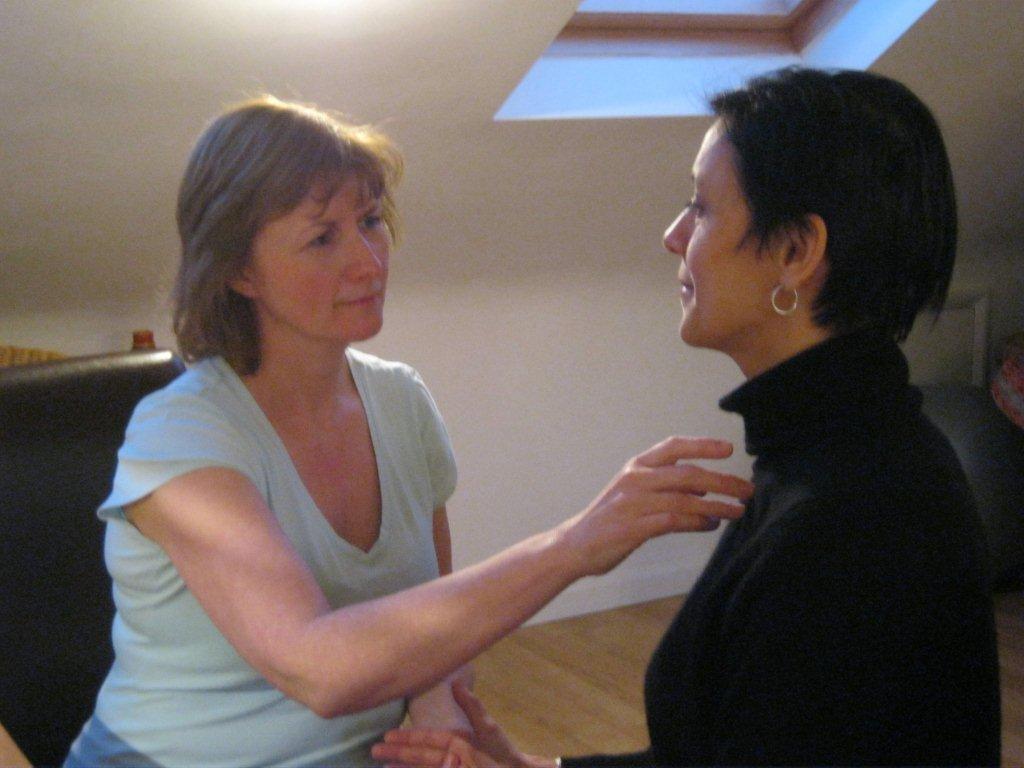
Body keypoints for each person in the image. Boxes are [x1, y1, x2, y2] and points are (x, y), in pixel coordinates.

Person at [63, 96, 754, 768]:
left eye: (370, 220)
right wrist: (575, 545)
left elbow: (435, 627)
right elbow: (318, 668)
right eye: (322, 237)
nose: (369, 261)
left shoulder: (399, 400)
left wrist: (437, 711)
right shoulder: (182, 436)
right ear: (240, 270)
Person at [372, 66, 1003, 768]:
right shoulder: (834, 456)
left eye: (702, 209)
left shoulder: (852, 519)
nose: (673, 235)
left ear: (796, 252)